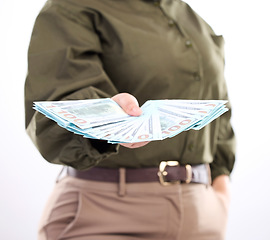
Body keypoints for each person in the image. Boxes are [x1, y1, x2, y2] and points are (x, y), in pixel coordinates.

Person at [25, 0, 236, 239]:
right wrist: (108, 119)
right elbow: (55, 108)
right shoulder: (74, 8)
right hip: (107, 214)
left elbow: (220, 115)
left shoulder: (190, 17)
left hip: (201, 217)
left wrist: (221, 190)